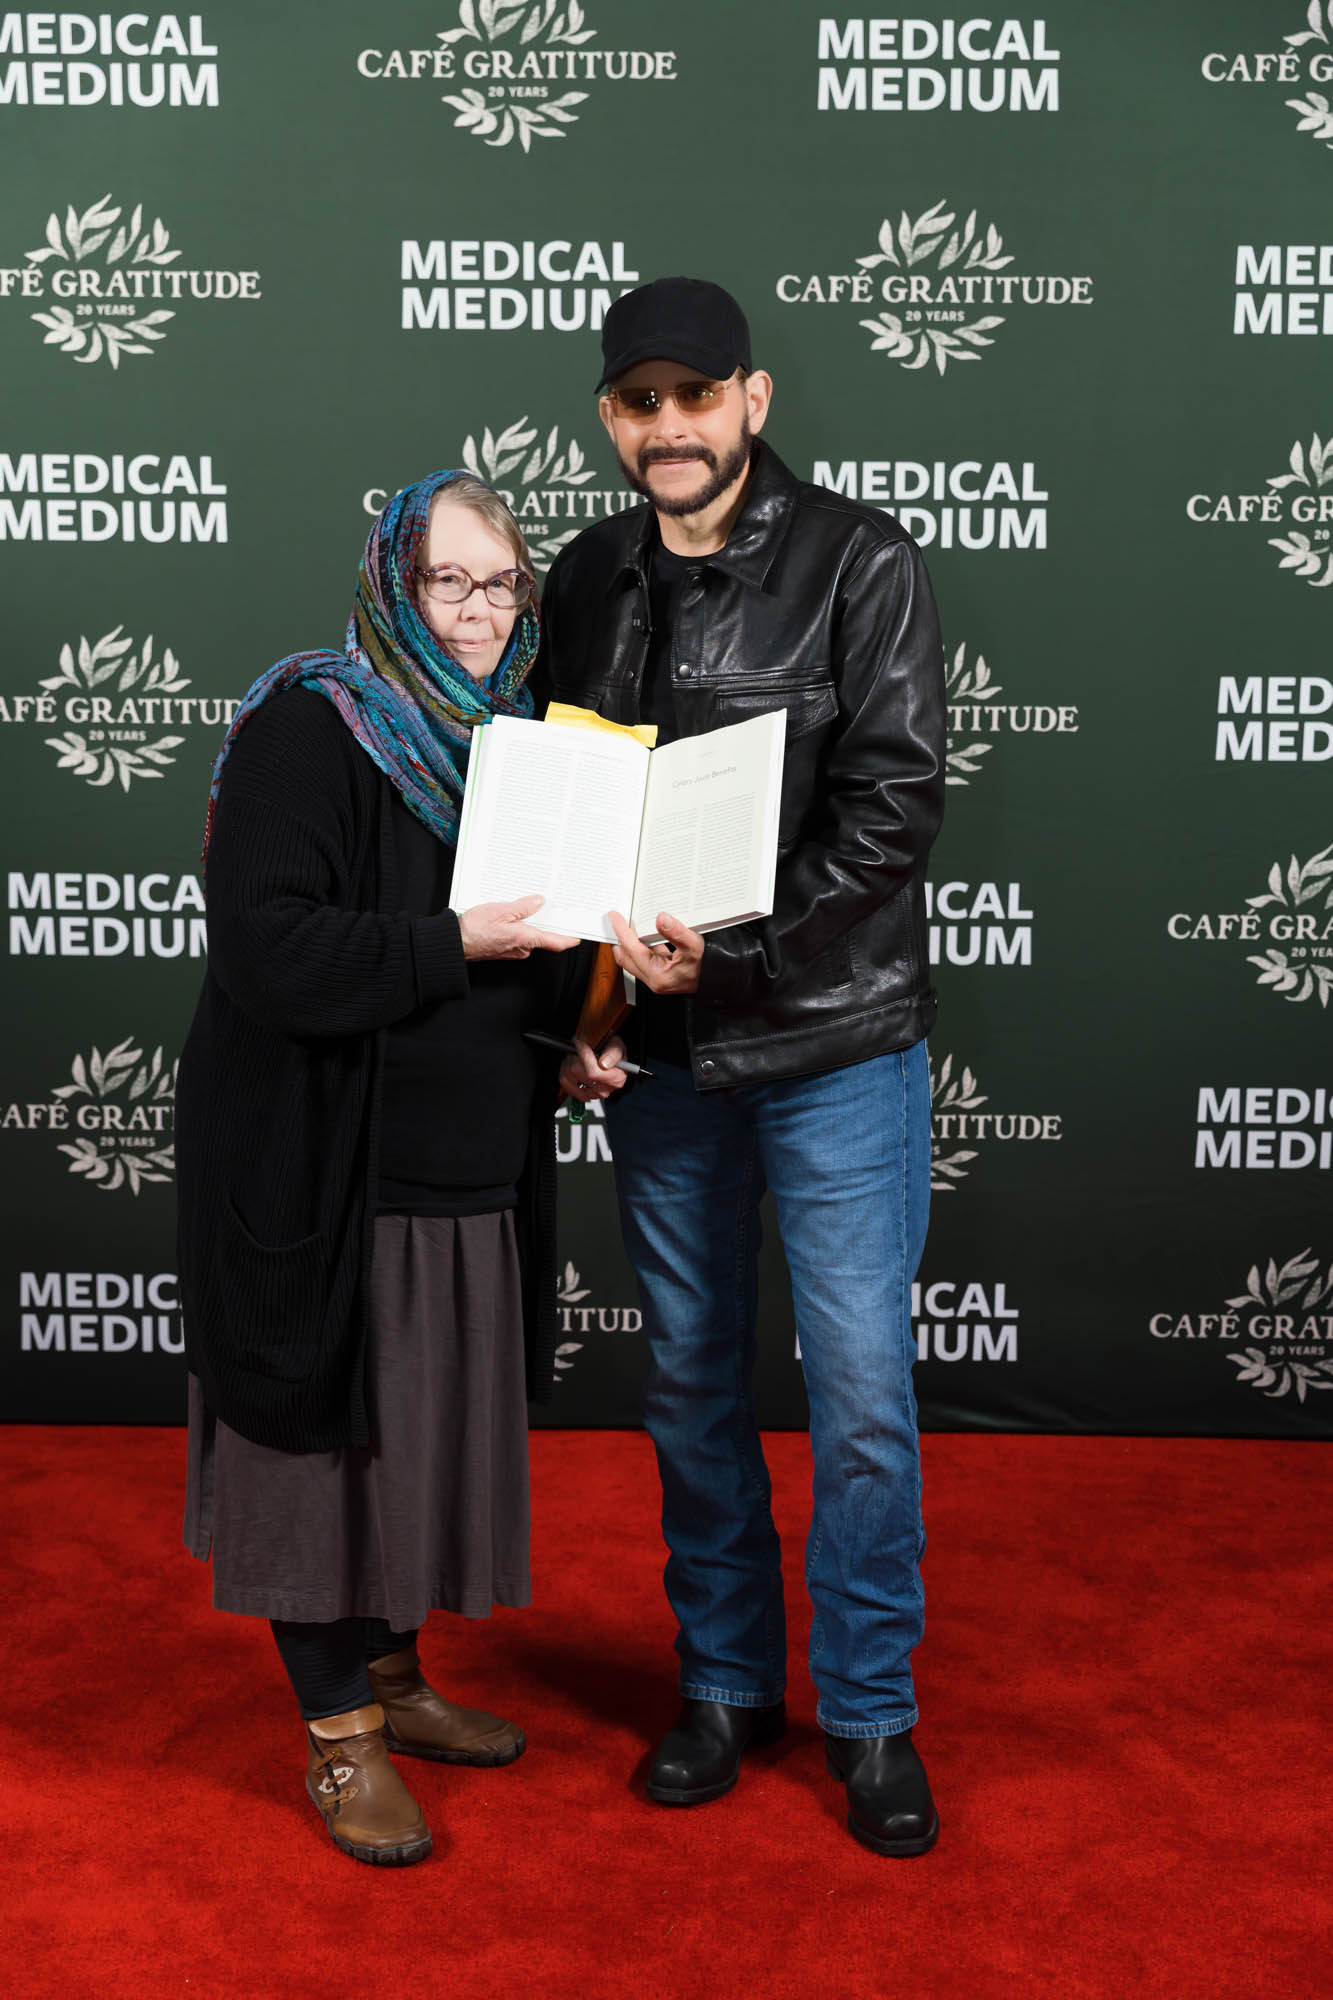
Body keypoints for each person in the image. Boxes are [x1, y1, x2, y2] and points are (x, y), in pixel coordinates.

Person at [542, 278, 947, 1857]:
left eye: (695, 397)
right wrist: (580, 1009)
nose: (670, 427)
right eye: (639, 402)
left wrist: (745, 959)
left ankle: (870, 1712)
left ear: (751, 402)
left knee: (858, 1399)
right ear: (609, 419)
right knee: (689, 1388)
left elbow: (893, 807)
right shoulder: (586, 574)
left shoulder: (859, 561)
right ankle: (722, 1686)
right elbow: (569, 812)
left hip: (832, 1043)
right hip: (660, 1059)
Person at [177, 469, 584, 1867]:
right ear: (389, 585)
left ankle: (398, 1678)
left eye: (500, 583)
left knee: (418, 1445)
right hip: (324, 1173)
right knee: (322, 1461)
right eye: (444, 580)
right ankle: (339, 1732)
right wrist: (447, 943)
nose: (476, 610)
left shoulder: (527, 747)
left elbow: (543, 949)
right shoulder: (313, 723)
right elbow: (267, 947)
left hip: (469, 1169)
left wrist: (578, 1041)